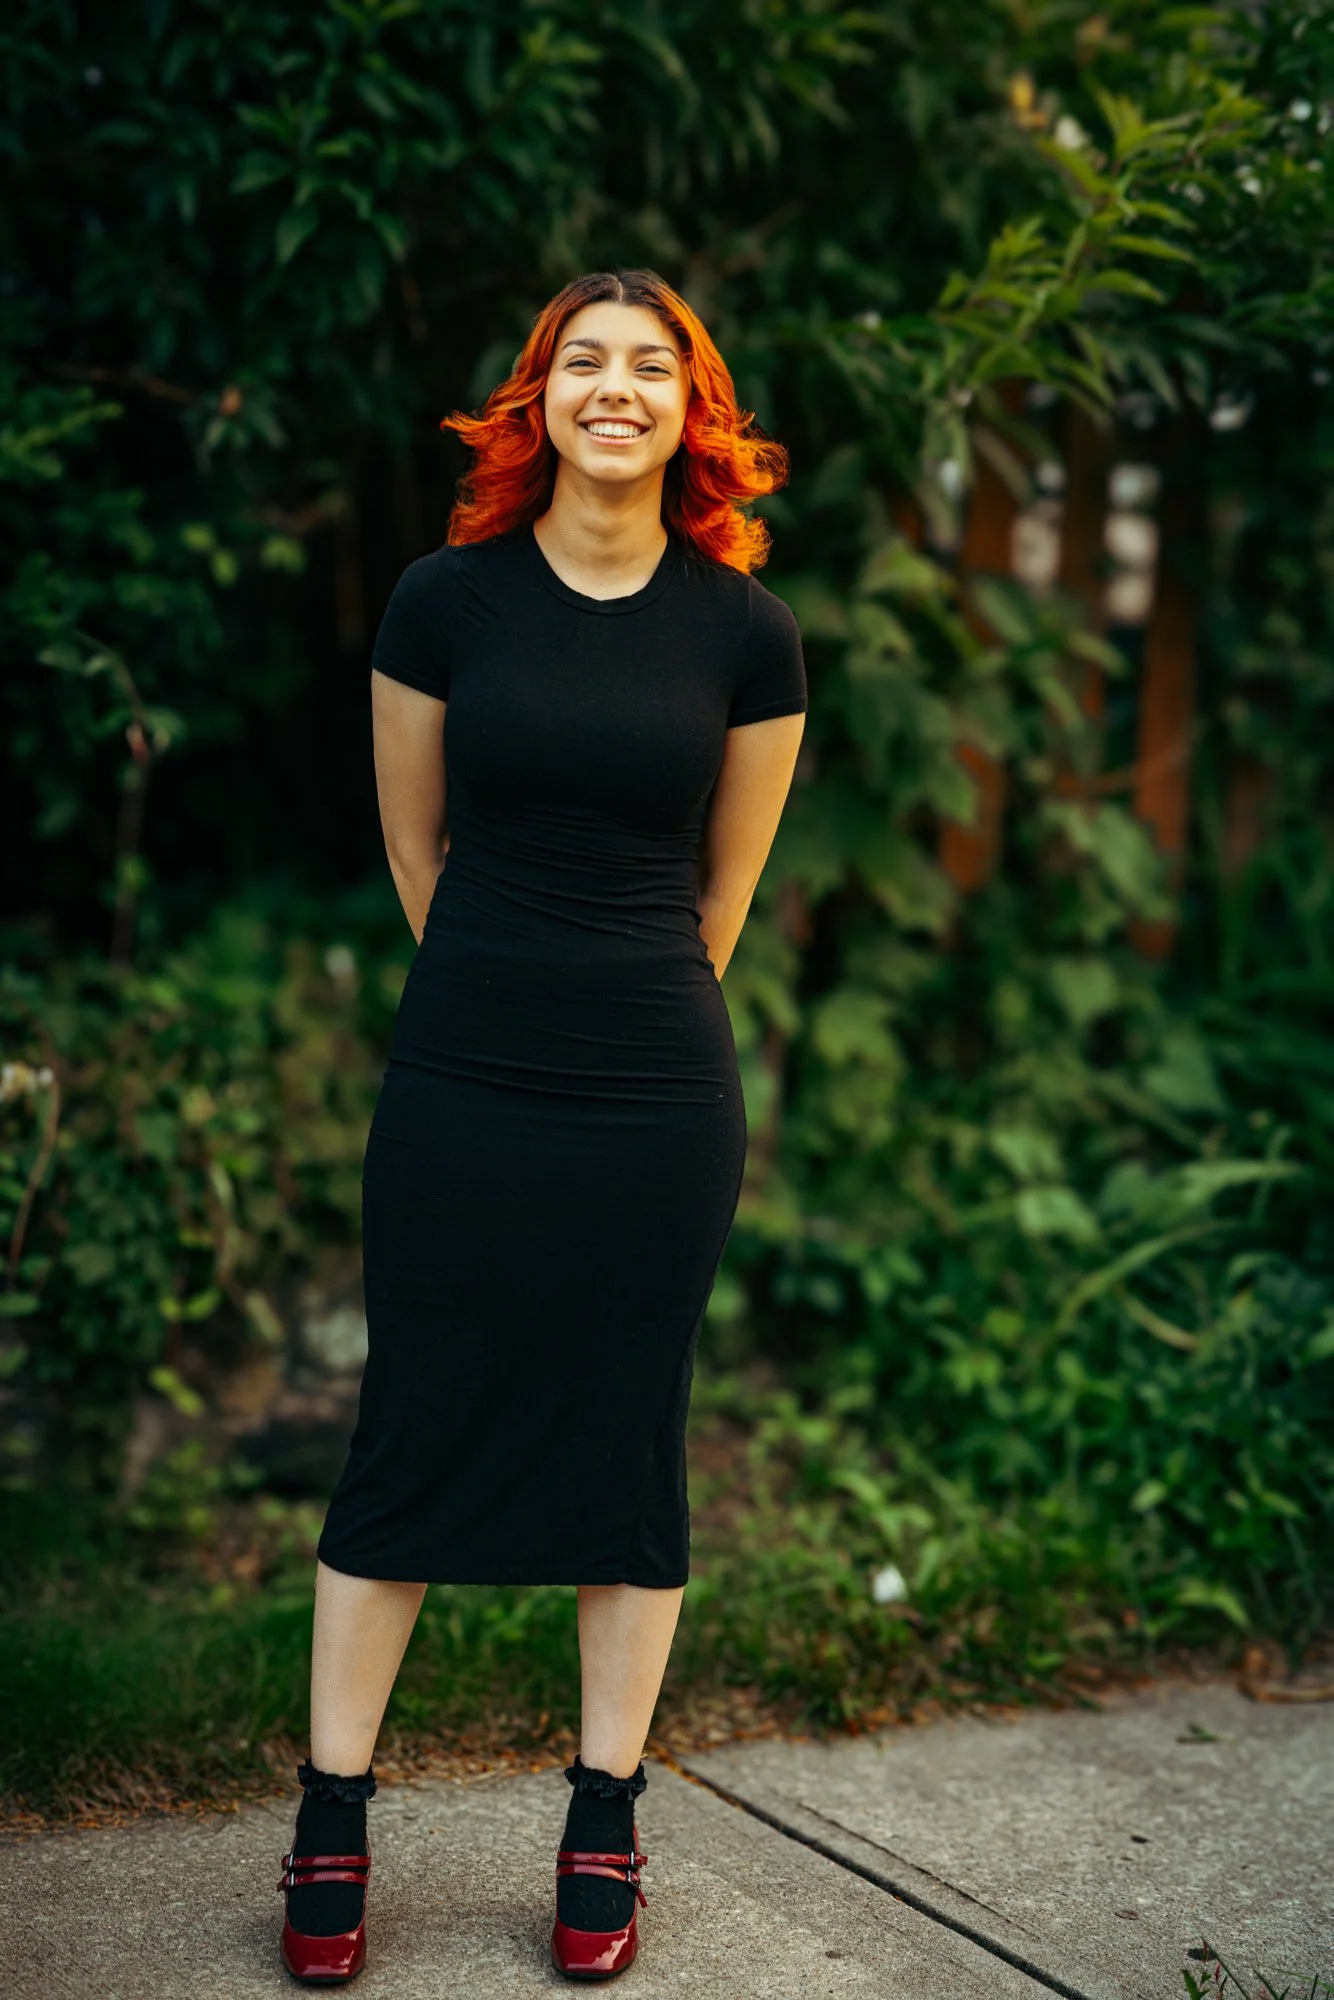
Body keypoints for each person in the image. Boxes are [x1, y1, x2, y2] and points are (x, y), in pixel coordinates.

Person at [276, 268, 807, 1984]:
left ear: (688, 414)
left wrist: (618, 1007)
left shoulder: (745, 634)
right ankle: (330, 1820)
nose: (615, 388)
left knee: (624, 1433)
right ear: (536, 400)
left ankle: (604, 1819)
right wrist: (510, 996)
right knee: (410, 1424)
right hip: (464, 1075)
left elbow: (721, 899)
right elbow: (414, 855)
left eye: (650, 366)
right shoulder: (443, 604)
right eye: (584, 360)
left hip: (656, 1092)